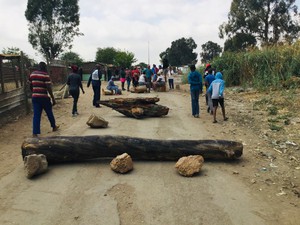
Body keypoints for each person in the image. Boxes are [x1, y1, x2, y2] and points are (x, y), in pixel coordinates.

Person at [28, 61, 60, 137]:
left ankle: (35, 133)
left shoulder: (32, 74)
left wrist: (34, 91)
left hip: (35, 97)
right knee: (49, 112)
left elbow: (30, 85)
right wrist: (53, 98)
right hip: (44, 97)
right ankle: (54, 127)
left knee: (36, 115)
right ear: (45, 67)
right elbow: (49, 87)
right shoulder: (45, 75)